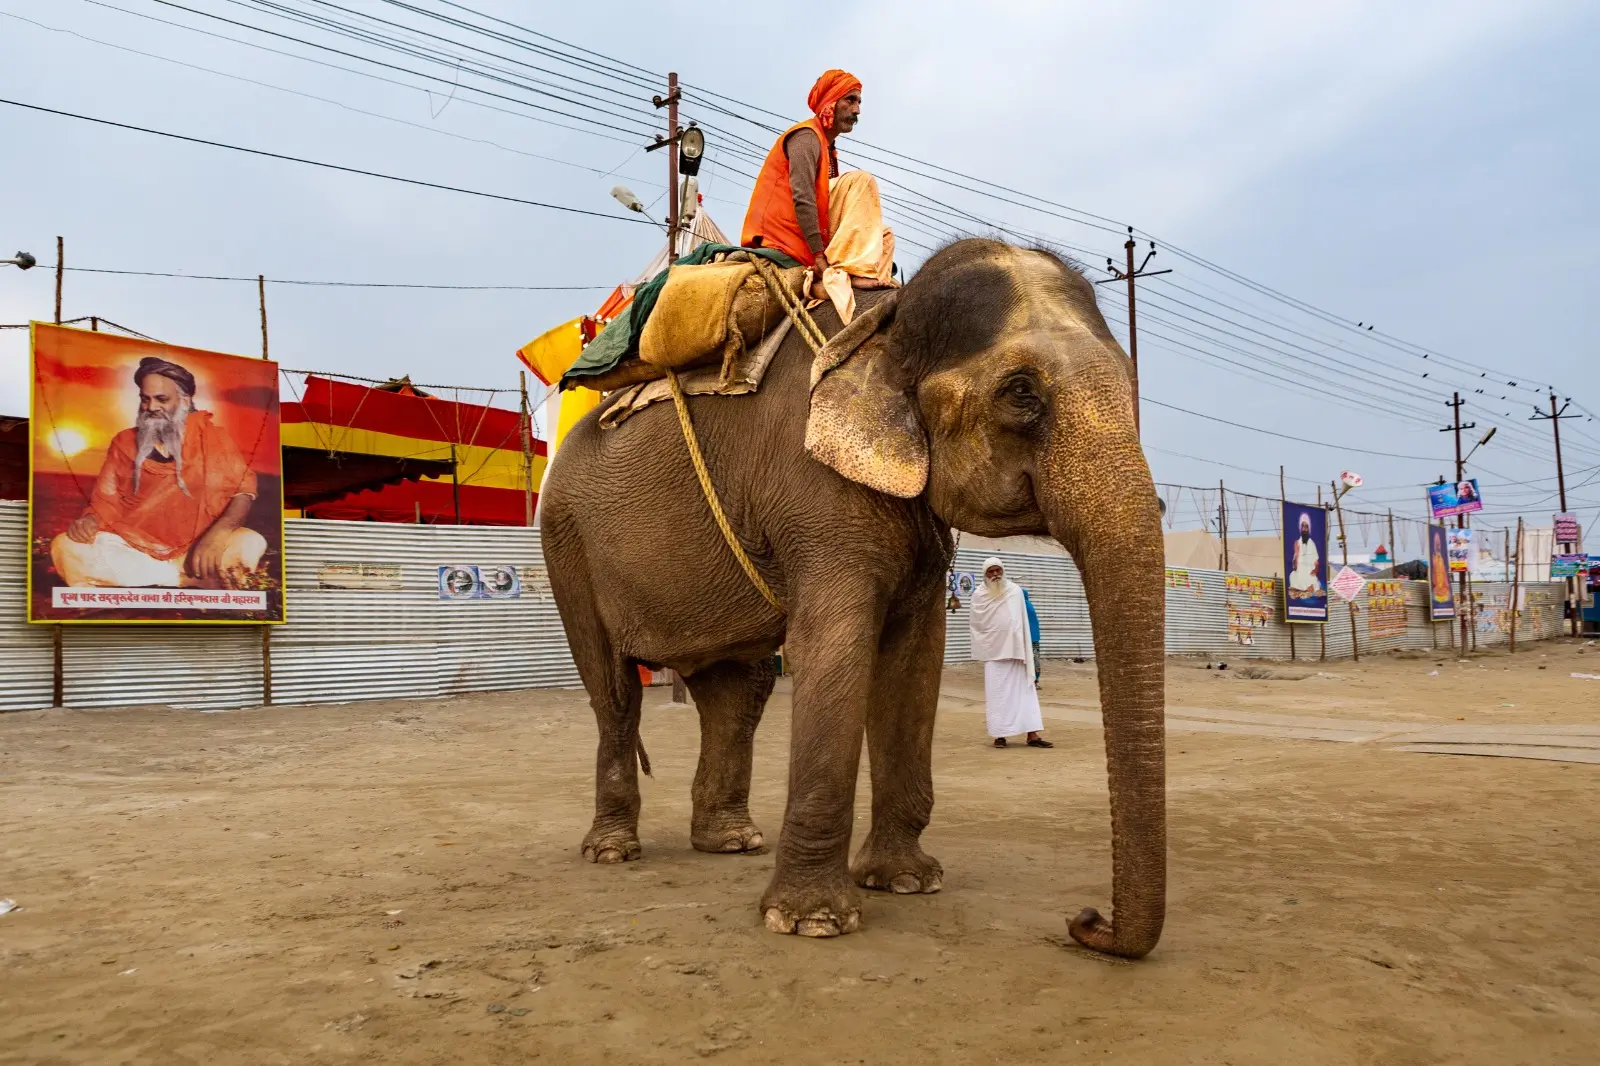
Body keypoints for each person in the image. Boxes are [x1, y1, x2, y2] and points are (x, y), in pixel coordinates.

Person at [50, 356, 265, 590]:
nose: (151, 408)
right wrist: (90, 520)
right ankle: (183, 580)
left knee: (249, 541)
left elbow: (243, 491)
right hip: (134, 547)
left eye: (162, 399)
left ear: (185, 400)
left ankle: (151, 580)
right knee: (66, 547)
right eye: (145, 399)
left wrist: (219, 533)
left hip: (198, 546)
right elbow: (106, 500)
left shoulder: (215, 439)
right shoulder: (124, 442)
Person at [740, 69, 896, 324]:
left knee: (885, 235)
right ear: (830, 103)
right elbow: (802, 198)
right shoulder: (806, 138)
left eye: (859, 102)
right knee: (862, 181)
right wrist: (818, 256)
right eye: (850, 100)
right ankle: (855, 272)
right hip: (782, 235)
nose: (857, 110)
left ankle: (859, 276)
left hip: (811, 231)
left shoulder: (827, 147)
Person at [969, 558, 1051, 749]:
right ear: (985, 574)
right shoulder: (979, 595)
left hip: (1017, 652)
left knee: (1025, 692)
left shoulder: (1014, 591)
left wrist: (1022, 646)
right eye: (991, 571)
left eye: (998, 570)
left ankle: (1033, 735)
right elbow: (978, 625)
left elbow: (1022, 620)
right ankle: (1000, 735)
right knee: (997, 695)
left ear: (1003, 571)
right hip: (995, 653)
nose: (995, 574)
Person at [1287, 513, 1322, 595]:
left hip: (1309, 575)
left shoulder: (1312, 543)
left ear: (1308, 529)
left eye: (1306, 527)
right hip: (1299, 575)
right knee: (1292, 576)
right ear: (1300, 528)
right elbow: (1295, 567)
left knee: (1314, 581)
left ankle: (1308, 588)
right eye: (1303, 526)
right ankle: (1306, 589)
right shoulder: (1297, 543)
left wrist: (1315, 570)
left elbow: (1317, 563)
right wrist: (1296, 553)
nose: (1304, 529)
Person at [1022, 586, 1042, 685]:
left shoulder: (1022, 606)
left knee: (1028, 659)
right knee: (1035, 658)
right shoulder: (1030, 605)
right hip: (1035, 637)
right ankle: (1036, 679)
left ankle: (1030, 680)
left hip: (1027, 638)